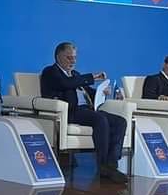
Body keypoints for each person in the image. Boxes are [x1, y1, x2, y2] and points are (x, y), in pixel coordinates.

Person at [40, 41, 128, 183]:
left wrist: (104, 92)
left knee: (120, 121)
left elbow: (90, 92)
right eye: (69, 57)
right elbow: (65, 83)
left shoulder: (75, 74)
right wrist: (92, 77)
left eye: (74, 57)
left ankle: (111, 165)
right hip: (70, 111)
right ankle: (102, 165)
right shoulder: (50, 72)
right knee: (100, 120)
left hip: (86, 110)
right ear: (58, 57)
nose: (73, 61)